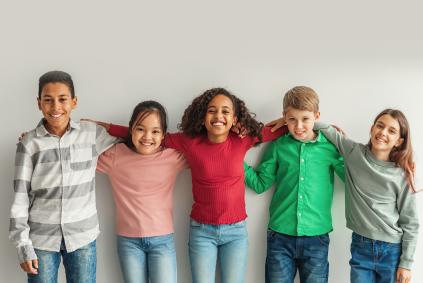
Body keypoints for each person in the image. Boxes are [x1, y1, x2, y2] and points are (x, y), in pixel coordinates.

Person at [103, 87, 287, 283]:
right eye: (211, 110)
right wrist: (108, 127)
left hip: (236, 232)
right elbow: (151, 134)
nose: (218, 116)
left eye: (225, 111)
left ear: (234, 119)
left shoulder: (242, 140)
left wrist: (288, 119)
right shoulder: (190, 142)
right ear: (202, 116)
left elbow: (279, 131)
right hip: (202, 232)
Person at [9, 70, 117, 283]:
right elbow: (20, 198)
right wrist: (23, 246)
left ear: (74, 102)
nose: (56, 107)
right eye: (48, 100)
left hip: (82, 238)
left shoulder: (92, 134)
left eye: (62, 99)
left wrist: (105, 125)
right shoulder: (29, 143)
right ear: (39, 103)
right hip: (41, 241)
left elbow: (133, 137)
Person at [244, 86, 344, 283]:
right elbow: (261, 184)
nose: (299, 126)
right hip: (280, 238)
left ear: (316, 116)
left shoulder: (330, 148)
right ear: (284, 117)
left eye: (305, 119)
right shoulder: (278, 146)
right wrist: (234, 160)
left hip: (317, 237)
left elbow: (353, 180)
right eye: (292, 119)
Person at [312, 109, 419, 283]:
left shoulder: (402, 175)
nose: (383, 132)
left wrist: (406, 264)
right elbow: (326, 129)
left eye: (391, 131)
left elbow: (411, 222)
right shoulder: (354, 152)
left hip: (392, 251)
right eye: (380, 126)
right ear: (372, 128)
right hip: (361, 246)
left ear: (399, 141)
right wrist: (288, 120)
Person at [96, 100, 187, 283]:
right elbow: (80, 153)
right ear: (131, 130)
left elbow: (203, 149)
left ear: (163, 136)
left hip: (162, 240)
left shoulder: (172, 157)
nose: (147, 136)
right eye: (140, 129)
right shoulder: (115, 155)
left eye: (155, 131)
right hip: (128, 242)